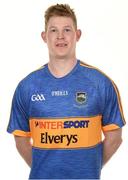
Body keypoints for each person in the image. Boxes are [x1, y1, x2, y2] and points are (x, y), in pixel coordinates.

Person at [7, 3, 125, 179]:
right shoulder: (27, 86)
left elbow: (115, 138)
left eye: (67, 30)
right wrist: (45, 169)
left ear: (77, 35)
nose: (60, 36)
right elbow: (21, 140)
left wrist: (88, 169)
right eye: (53, 30)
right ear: (44, 36)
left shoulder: (101, 83)